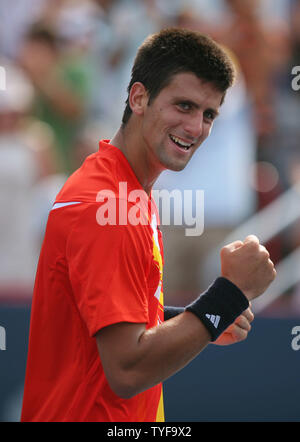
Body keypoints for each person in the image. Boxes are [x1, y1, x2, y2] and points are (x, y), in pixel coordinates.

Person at [21, 28, 276, 422]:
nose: (196, 127)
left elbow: (108, 322)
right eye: (184, 106)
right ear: (139, 97)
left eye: (209, 114)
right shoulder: (106, 204)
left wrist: (196, 319)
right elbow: (127, 368)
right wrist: (228, 295)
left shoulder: (121, 191)